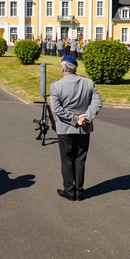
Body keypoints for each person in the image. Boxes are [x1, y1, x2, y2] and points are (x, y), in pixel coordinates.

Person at [50, 55, 102, 202]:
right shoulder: (88, 83)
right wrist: (84, 118)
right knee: (80, 160)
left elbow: (57, 109)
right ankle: (79, 191)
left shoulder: (56, 86)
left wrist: (75, 119)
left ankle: (69, 190)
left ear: (62, 70)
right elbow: (96, 103)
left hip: (66, 128)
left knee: (67, 160)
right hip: (83, 128)